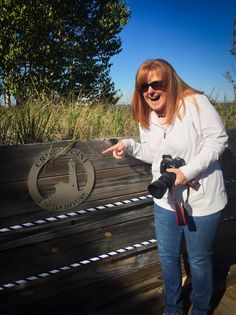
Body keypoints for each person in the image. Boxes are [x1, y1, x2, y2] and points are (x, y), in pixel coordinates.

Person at [102, 59, 228, 315]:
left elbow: (218, 141)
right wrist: (128, 145)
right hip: (166, 202)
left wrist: (186, 172)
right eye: (143, 87)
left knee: (199, 259)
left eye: (156, 83)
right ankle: (172, 309)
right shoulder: (147, 116)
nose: (150, 90)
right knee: (168, 258)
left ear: (170, 82)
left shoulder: (194, 103)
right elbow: (153, 153)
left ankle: (201, 309)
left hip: (203, 201)